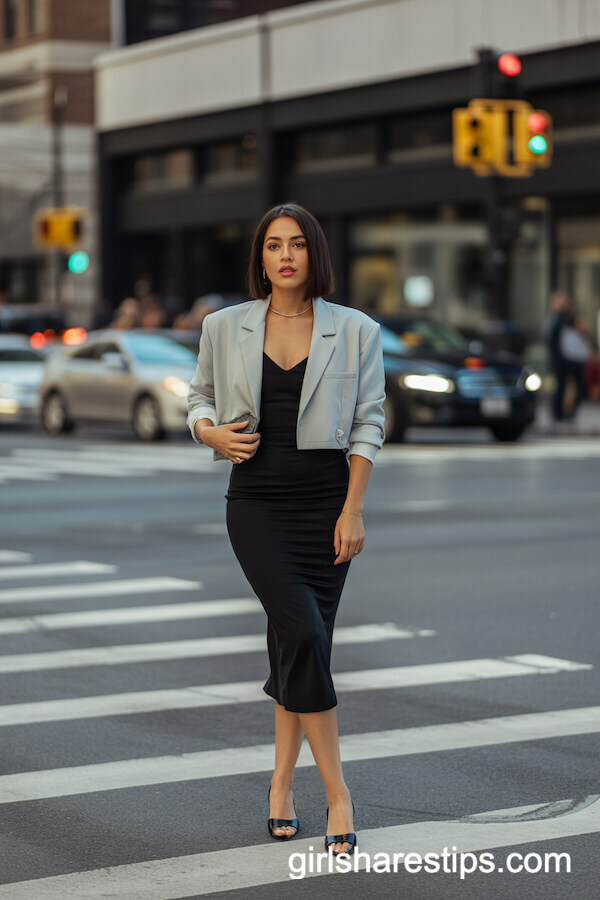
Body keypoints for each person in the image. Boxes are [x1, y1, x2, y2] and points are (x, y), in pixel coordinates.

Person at [187, 202, 386, 857]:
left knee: (295, 646)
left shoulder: (355, 330)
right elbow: (199, 399)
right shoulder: (224, 326)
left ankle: (280, 785)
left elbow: (369, 422)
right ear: (261, 257)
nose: (285, 255)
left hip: (326, 505)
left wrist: (353, 509)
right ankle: (338, 795)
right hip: (257, 504)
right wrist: (210, 434)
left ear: (313, 253)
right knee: (304, 636)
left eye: (297, 244)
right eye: (273, 245)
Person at [543, 290, 571, 423]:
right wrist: (557, 354)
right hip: (558, 358)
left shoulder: (564, 317)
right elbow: (550, 339)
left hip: (563, 357)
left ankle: (560, 413)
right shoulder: (555, 318)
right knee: (558, 387)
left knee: (562, 386)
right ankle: (557, 414)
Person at [559, 313, 591, 421]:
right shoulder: (569, 335)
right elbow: (569, 351)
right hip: (571, 365)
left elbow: (586, 352)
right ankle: (566, 411)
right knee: (570, 389)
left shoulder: (581, 336)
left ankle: (571, 412)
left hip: (579, 364)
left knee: (578, 390)